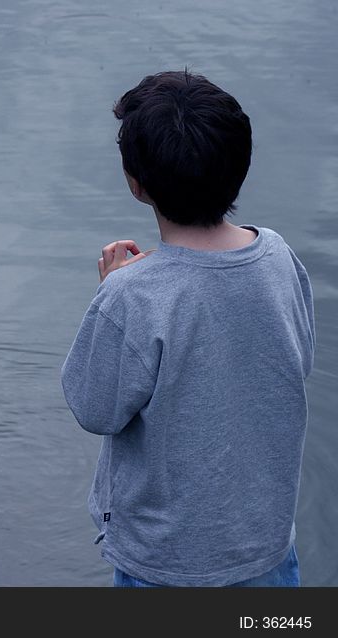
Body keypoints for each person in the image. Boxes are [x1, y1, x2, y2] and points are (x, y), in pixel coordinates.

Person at [61, 71, 315, 587]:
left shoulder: (133, 292)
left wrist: (110, 292)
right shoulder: (278, 257)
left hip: (166, 564)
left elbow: (95, 408)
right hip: (266, 548)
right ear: (240, 169)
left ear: (136, 184)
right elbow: (296, 362)